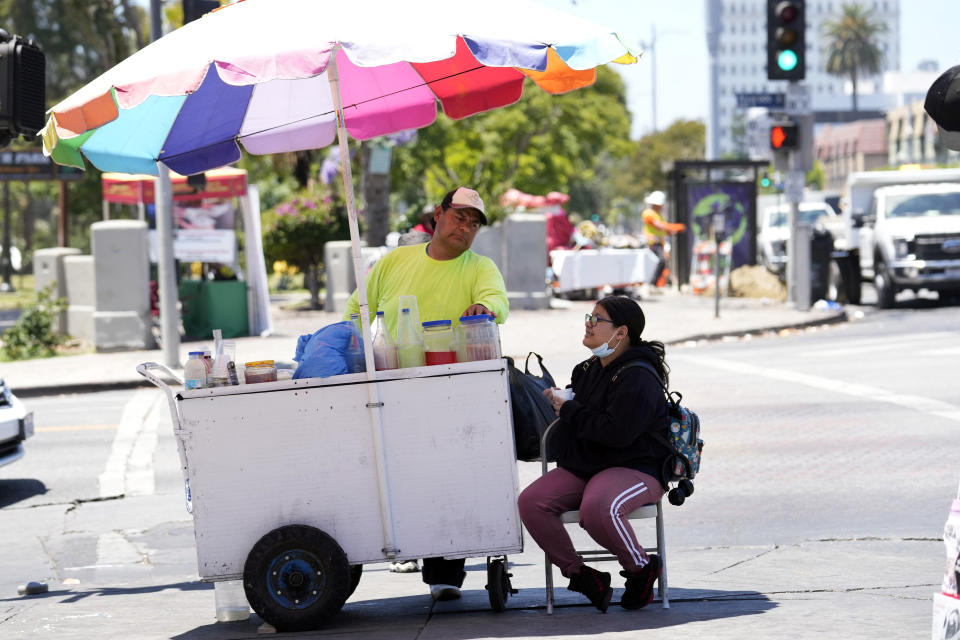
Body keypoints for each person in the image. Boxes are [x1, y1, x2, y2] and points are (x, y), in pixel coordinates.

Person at [344, 186, 509, 601]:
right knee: (393, 472)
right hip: (390, 384)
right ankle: (396, 546)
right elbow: (354, 312)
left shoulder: (479, 267)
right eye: (459, 217)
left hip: (453, 388)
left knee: (449, 474)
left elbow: (495, 302)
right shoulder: (394, 261)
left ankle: (445, 569)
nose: (465, 228)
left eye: (473, 224)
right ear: (438, 215)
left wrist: (482, 310)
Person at [518, 295, 672, 612]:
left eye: (597, 319)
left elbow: (617, 433)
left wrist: (571, 409)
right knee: (531, 502)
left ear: (621, 332)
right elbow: (581, 417)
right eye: (589, 317)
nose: (588, 324)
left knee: (599, 508)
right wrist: (561, 402)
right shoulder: (587, 369)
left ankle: (641, 568)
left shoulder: (638, 376)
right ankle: (583, 575)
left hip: (637, 466)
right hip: (589, 466)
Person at [641, 191, 685, 290]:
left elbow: (664, 230)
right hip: (652, 244)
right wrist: (676, 227)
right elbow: (659, 226)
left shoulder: (658, 214)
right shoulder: (648, 213)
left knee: (662, 262)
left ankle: (653, 284)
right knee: (659, 261)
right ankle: (651, 284)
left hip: (659, 243)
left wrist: (672, 230)